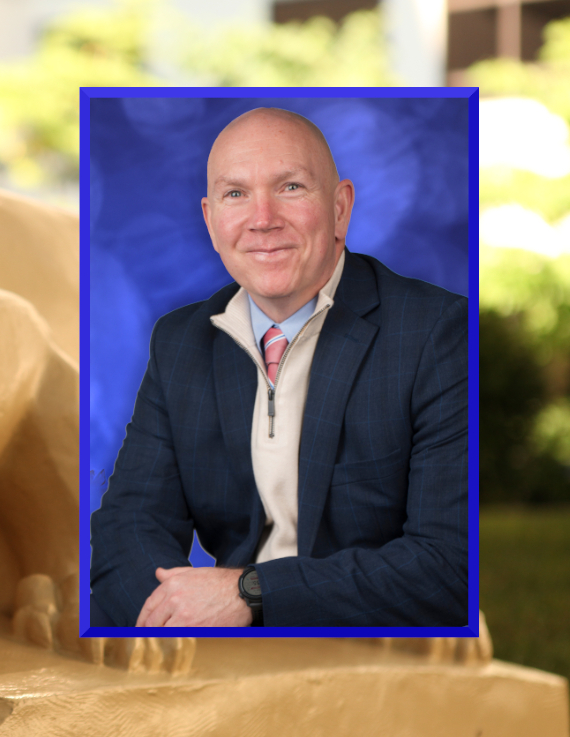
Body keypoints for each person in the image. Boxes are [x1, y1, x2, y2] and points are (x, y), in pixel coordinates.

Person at [89, 107, 468, 628]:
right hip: (226, 655)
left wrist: (253, 594)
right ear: (210, 220)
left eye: (290, 187)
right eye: (235, 194)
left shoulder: (434, 331)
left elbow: (448, 567)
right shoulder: (181, 342)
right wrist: (171, 629)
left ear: (340, 208)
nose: (262, 218)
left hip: (368, 652)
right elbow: (128, 528)